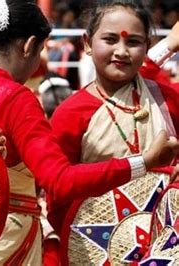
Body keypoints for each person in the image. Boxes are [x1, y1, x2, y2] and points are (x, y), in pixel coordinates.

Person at [0, 1, 179, 264]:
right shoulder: (18, 100)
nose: (121, 51)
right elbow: (59, 181)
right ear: (29, 46)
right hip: (10, 246)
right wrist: (145, 162)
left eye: (134, 43)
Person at [48, 1, 179, 264]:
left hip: (167, 244)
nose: (121, 51)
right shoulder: (71, 114)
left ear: (146, 45)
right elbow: (57, 193)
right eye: (109, 40)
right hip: (93, 247)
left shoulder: (168, 99)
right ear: (86, 43)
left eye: (133, 42)